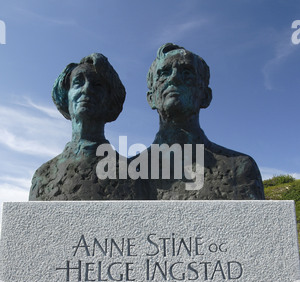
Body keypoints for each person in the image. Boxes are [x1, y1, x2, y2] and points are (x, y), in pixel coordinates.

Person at [145, 43, 265, 200]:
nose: (174, 77)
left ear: (206, 97)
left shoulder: (240, 169)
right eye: (164, 73)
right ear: (151, 99)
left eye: (187, 72)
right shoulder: (131, 173)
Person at [29, 53, 146, 200]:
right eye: (78, 82)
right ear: (66, 97)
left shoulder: (131, 175)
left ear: (110, 102)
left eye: (97, 85)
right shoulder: (43, 176)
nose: (87, 89)